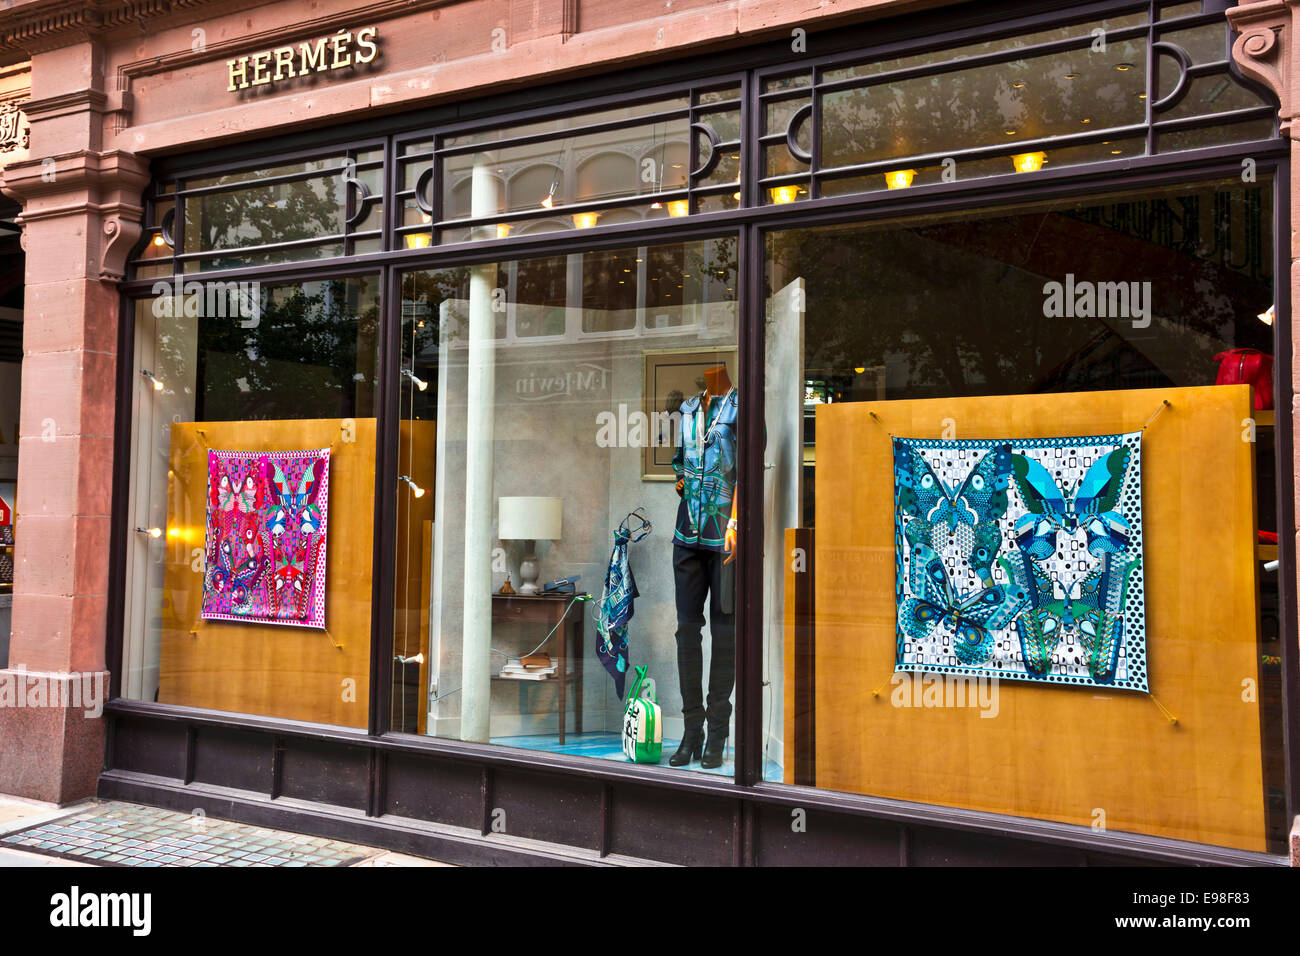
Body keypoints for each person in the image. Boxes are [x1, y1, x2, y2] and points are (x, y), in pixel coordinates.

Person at [668, 363, 738, 769]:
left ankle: (718, 732)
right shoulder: (691, 408)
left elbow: (748, 471)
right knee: (687, 632)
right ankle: (691, 730)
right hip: (687, 533)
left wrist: (737, 522)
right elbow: (680, 460)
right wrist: (681, 478)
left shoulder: (743, 408)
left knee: (724, 635)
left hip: (725, 537)